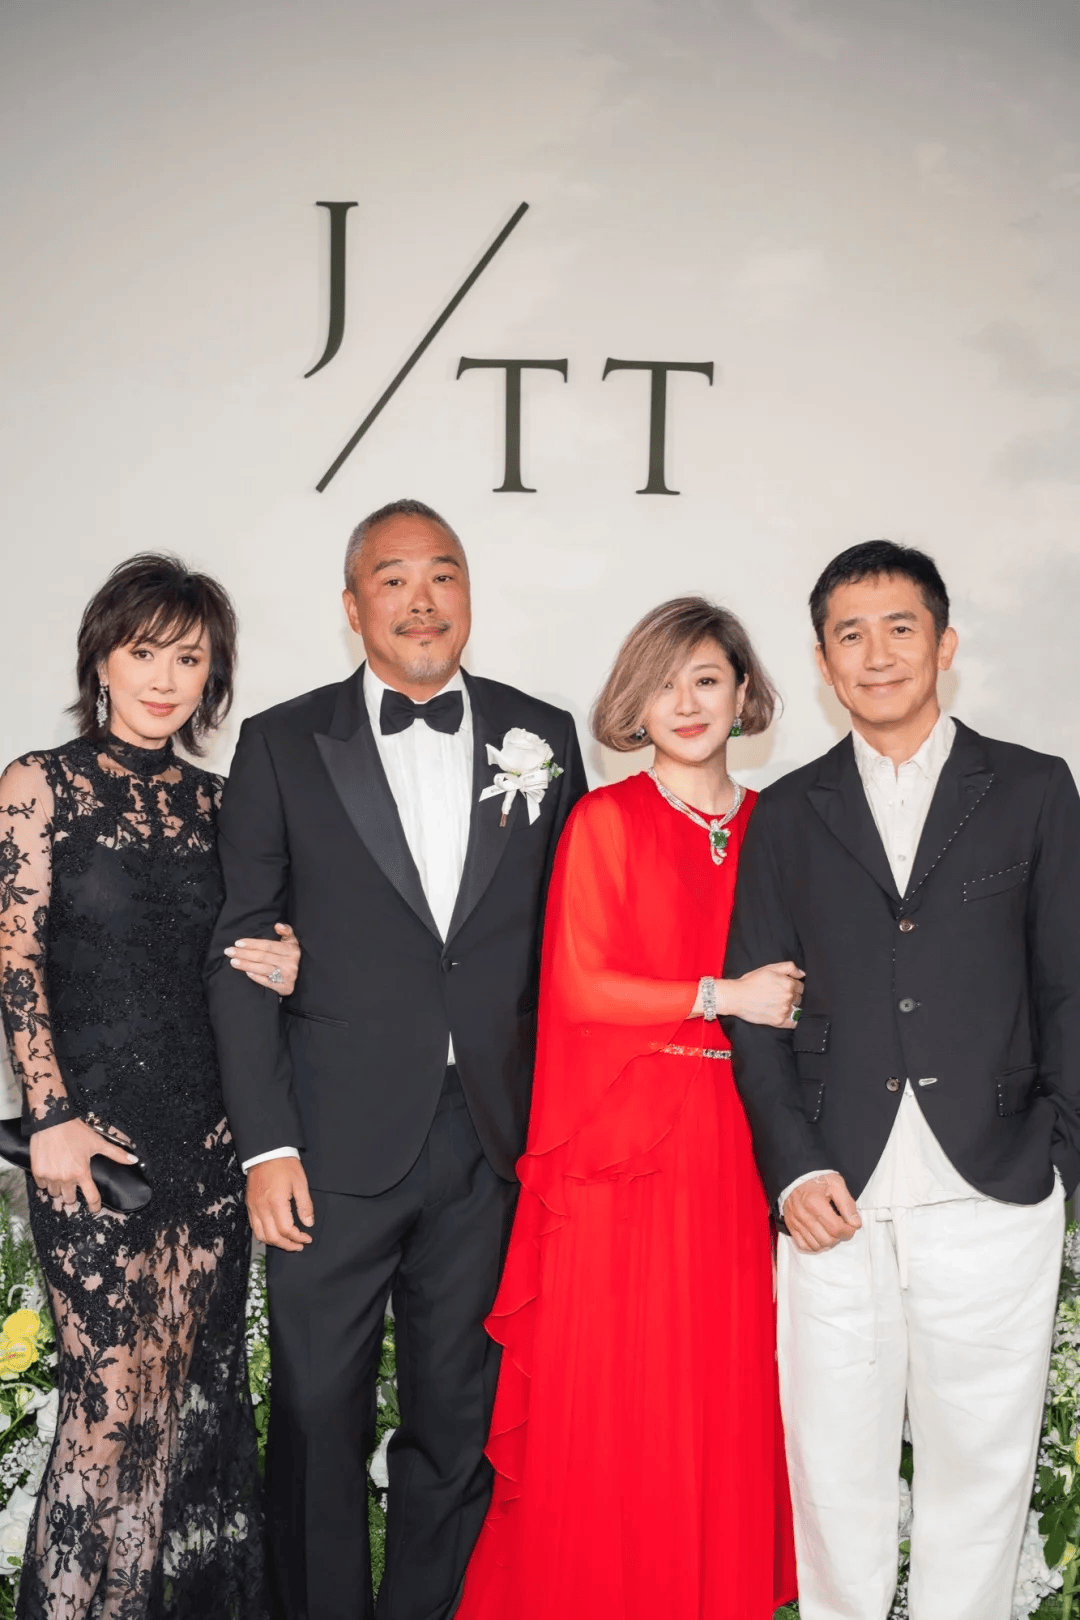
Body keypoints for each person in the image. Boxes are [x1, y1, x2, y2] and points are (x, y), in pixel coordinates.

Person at [204, 498, 587, 1620]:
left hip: (492, 1142)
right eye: (393, 579)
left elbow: (572, 937)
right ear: (352, 605)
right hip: (329, 1145)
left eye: (444, 575)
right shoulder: (281, 742)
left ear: (468, 593)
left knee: (457, 1414)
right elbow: (242, 952)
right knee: (316, 1413)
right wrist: (267, 1145)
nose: (422, 601)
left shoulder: (544, 734)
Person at [724, 539, 1080, 1620]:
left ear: (945, 644)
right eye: (850, 634)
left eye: (900, 628)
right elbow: (758, 1012)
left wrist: (1057, 1158)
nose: (876, 654)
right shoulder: (785, 813)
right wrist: (792, 1171)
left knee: (982, 1479)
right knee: (836, 1480)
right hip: (833, 1198)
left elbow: (1069, 985)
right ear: (823, 662)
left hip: (994, 1188)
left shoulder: (1032, 787)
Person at [458, 597, 799, 1620]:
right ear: (633, 706)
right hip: (617, 1154)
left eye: (706, 679)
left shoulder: (782, 826)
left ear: (743, 692)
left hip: (742, 1144)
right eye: (662, 684)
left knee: (721, 1391)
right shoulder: (604, 820)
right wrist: (722, 996)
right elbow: (580, 985)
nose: (685, 703)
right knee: (617, 1397)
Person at [0, 554, 301, 1620]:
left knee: (182, 1414)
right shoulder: (40, 785)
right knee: (108, 1407)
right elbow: (14, 960)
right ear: (102, 659)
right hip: (93, 1147)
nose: (165, 679)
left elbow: (246, 960)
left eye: (189, 658)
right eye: (144, 653)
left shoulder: (226, 805)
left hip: (210, 1148)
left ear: (214, 674)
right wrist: (49, 1117)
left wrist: (288, 962)